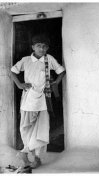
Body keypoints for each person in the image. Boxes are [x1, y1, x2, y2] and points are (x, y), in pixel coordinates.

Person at [10, 34, 66, 169]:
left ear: (47, 48)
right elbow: (12, 71)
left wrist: (55, 84)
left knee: (42, 129)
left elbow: (61, 71)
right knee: (27, 128)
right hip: (28, 100)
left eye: (44, 46)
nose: (42, 48)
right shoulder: (25, 60)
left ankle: (36, 157)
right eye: (39, 46)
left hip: (43, 100)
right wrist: (19, 84)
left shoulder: (49, 59)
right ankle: (25, 152)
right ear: (33, 47)